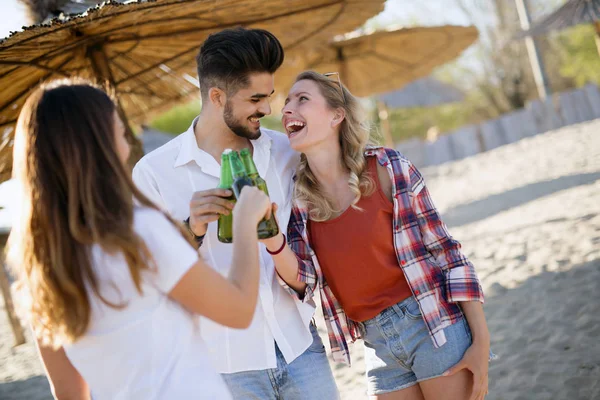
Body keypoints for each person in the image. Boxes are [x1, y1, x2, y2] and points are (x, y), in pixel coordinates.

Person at [6, 79, 272, 400]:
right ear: (100, 144)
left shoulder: (42, 266)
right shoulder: (139, 232)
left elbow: (68, 393)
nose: (127, 140)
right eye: (119, 130)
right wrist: (244, 223)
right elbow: (238, 311)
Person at [132, 28, 339, 399]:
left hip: (300, 347)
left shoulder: (285, 151)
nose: (267, 109)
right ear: (216, 96)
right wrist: (191, 229)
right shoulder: (154, 173)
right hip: (225, 368)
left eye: (270, 97)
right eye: (256, 99)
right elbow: (146, 273)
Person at [268, 70, 493, 400]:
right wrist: (273, 241)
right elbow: (304, 281)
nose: (288, 109)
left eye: (302, 99)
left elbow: (447, 252)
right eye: (286, 102)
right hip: (375, 346)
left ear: (336, 115)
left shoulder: (388, 167)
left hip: (432, 325)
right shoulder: (299, 201)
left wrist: (481, 339)